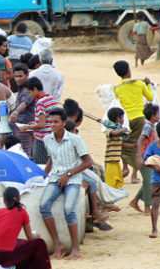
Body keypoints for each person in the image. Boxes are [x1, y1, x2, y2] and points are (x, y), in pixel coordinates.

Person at [40, 108, 93, 259]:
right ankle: (58, 244)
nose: (52, 125)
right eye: (50, 122)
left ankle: (75, 248)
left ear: (63, 123)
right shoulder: (47, 139)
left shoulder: (75, 139)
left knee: (69, 209)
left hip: (73, 179)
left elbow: (88, 162)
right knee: (43, 206)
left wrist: (68, 174)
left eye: (56, 122)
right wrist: (43, 175)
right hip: (55, 178)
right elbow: (51, 159)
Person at [112, 60, 153, 184]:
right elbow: (150, 97)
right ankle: (134, 175)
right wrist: (148, 85)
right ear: (129, 70)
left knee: (123, 143)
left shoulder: (117, 88)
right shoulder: (140, 84)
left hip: (125, 120)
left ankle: (125, 167)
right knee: (137, 145)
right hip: (140, 118)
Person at [18, 77, 59, 165]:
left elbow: (41, 124)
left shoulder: (40, 103)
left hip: (42, 140)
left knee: (40, 164)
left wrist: (27, 127)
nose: (30, 95)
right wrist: (34, 124)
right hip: (52, 137)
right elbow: (47, 120)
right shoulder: (51, 98)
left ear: (35, 89)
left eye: (30, 92)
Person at [131, 103, 160, 213]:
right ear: (153, 116)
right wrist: (139, 156)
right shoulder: (148, 126)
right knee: (149, 182)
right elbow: (140, 140)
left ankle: (135, 201)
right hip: (145, 158)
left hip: (150, 158)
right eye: (158, 114)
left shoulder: (152, 126)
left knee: (148, 181)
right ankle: (147, 207)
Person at [9, 63, 35, 156]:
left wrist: (16, 112)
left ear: (27, 75)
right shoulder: (21, 88)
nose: (18, 79)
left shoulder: (29, 89)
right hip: (21, 126)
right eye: (16, 76)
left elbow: (25, 103)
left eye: (20, 76)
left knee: (25, 153)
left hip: (25, 126)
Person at [103, 107, 128, 189]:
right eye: (122, 117)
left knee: (117, 182)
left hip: (116, 160)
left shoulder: (118, 129)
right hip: (110, 160)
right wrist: (123, 130)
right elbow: (114, 133)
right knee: (111, 183)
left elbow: (122, 143)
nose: (123, 120)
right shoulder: (109, 129)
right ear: (118, 118)